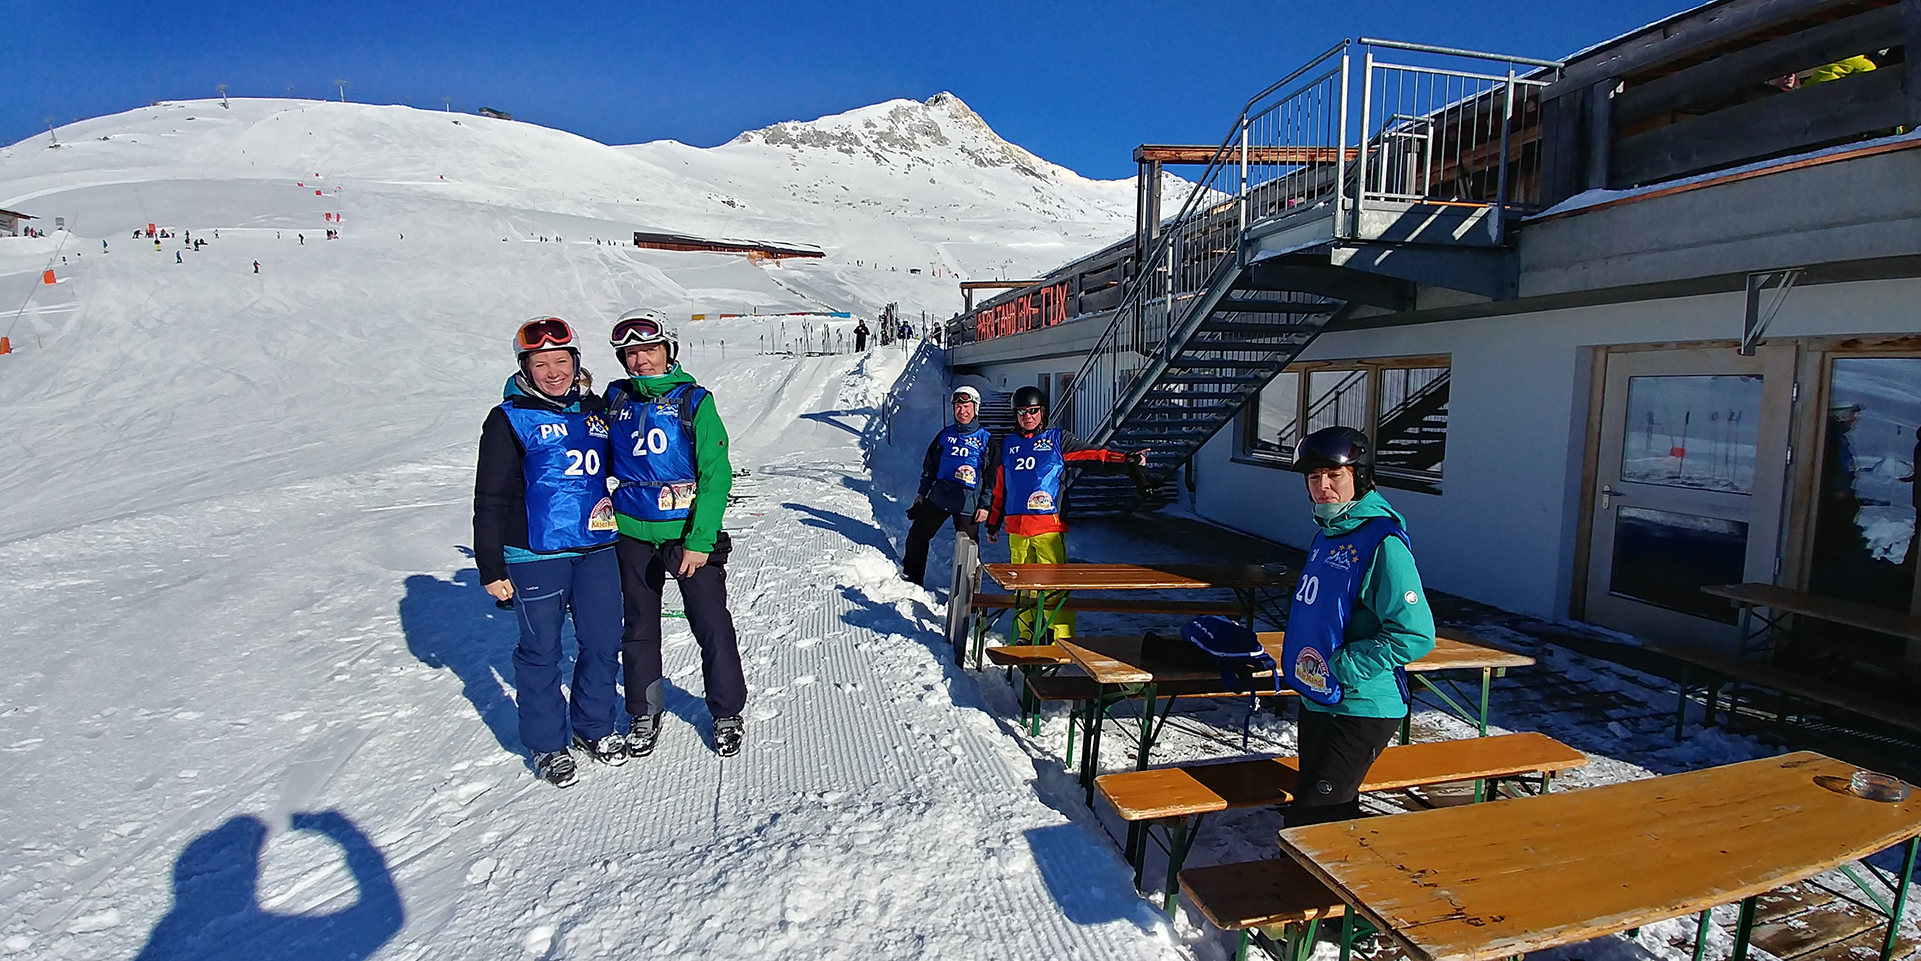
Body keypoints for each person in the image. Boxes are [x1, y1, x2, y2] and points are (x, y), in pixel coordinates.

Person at [472, 317, 627, 787]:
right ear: (525, 368)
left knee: (603, 642)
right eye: (541, 364)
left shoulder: (595, 410)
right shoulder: (508, 418)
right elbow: (489, 496)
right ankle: (547, 744)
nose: (553, 372)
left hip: (597, 546)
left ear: (576, 363)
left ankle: (594, 727)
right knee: (541, 651)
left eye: (561, 361)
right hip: (534, 552)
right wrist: (490, 565)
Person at [603, 309, 747, 758]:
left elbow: (715, 475)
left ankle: (726, 711)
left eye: (650, 349)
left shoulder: (694, 401)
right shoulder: (615, 399)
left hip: (686, 536)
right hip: (631, 532)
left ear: (668, 350)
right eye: (631, 353)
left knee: (711, 624)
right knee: (639, 628)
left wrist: (700, 541)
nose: (641, 360)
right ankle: (643, 711)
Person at [1278, 426, 1436, 826]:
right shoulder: (1328, 534)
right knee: (1327, 811)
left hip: (1362, 703)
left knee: (1311, 822)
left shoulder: (1383, 543)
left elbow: (1414, 634)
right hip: (1319, 694)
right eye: (1314, 477)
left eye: (1335, 475)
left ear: (1360, 477)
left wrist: (1345, 666)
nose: (1323, 486)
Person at [985, 385, 1146, 640]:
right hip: (1017, 531)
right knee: (1023, 588)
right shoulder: (1008, 445)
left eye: (1033, 411)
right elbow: (1000, 487)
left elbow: (1093, 454)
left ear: (1043, 412)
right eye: (1021, 412)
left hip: (1047, 527)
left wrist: (1125, 459)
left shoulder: (1057, 440)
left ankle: (1059, 638)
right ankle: (1026, 634)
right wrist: (993, 521)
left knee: (1054, 587)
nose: (1027, 417)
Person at [902, 385, 994, 585]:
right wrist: (921, 493)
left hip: (967, 504)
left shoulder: (986, 440)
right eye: (958, 407)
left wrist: (985, 505)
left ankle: (968, 594)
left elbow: (991, 477)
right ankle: (911, 581)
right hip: (940, 498)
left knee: (969, 552)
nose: (962, 411)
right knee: (917, 536)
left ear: (976, 408)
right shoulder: (945, 435)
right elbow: (930, 466)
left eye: (967, 407)